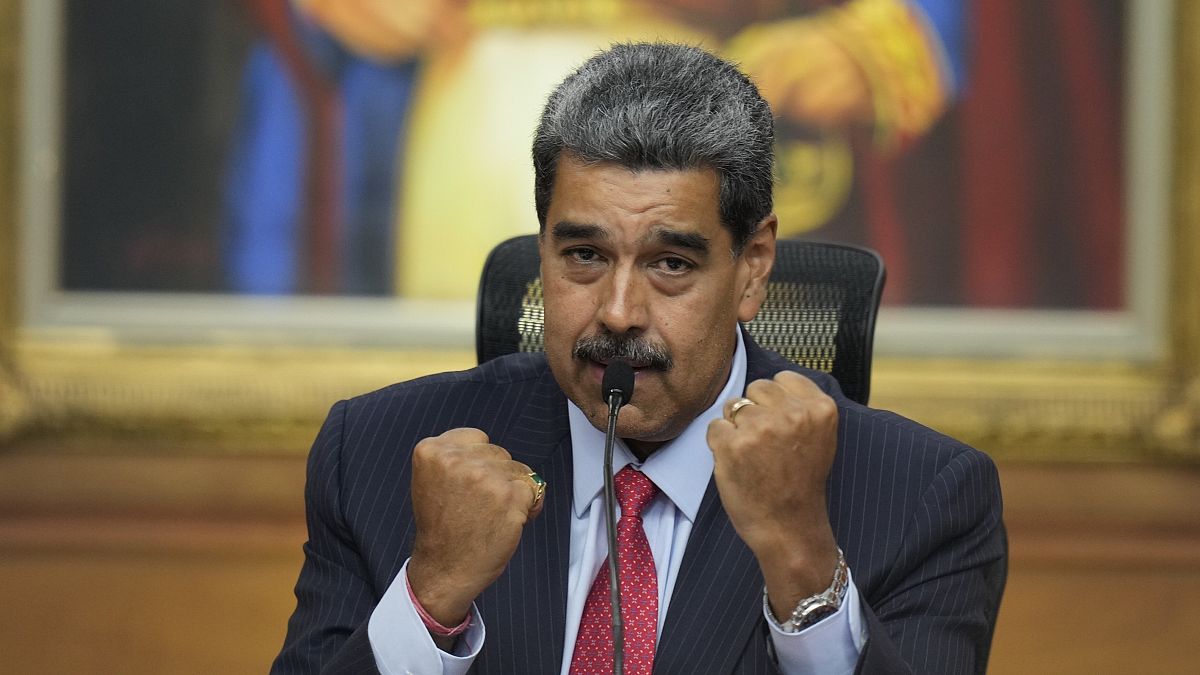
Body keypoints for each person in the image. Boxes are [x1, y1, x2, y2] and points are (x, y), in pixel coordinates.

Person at [272, 42, 1006, 674]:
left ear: (752, 268)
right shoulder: (374, 456)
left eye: (671, 264)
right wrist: (429, 598)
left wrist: (804, 564)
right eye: (584, 255)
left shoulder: (922, 498)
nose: (618, 312)